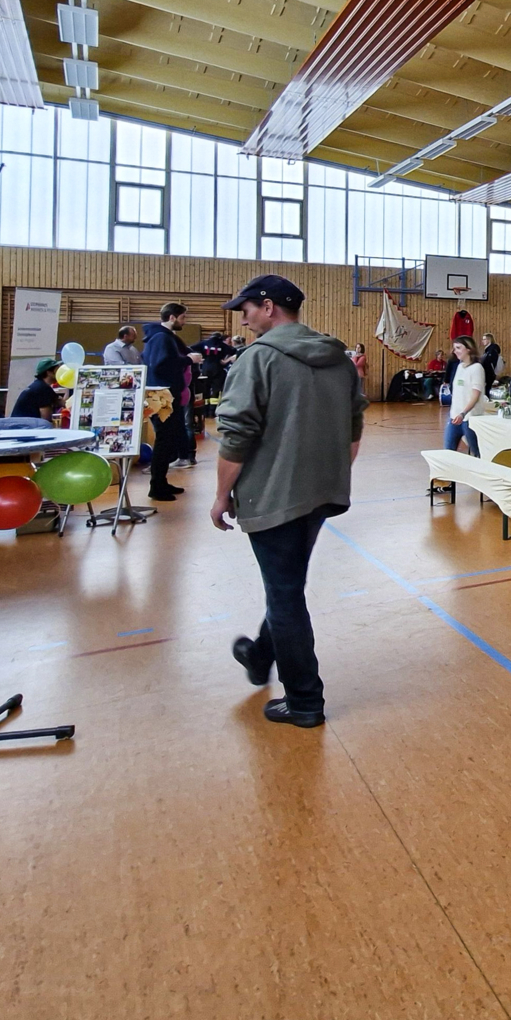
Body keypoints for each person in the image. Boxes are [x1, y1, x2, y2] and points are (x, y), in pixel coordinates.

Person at [213, 276, 365, 729]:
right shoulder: (339, 359)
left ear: (269, 307)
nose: (242, 317)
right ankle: (260, 656)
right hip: (322, 491)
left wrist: (222, 494)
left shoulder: (256, 359)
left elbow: (236, 435)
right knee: (287, 585)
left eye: (246, 308)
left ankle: (304, 701)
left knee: (284, 595)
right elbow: (354, 426)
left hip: (274, 494)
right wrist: (336, 471)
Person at [141, 302, 203, 501]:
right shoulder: (161, 338)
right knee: (164, 441)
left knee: (169, 440)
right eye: (183, 318)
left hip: (165, 394)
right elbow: (162, 364)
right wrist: (189, 360)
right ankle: (156, 485)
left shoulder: (162, 337)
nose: (184, 322)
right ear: (172, 317)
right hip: (163, 395)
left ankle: (160, 481)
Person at [445, 335, 487, 455]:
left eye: (458, 348)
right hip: (454, 417)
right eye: (454, 348)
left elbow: (475, 395)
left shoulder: (477, 368)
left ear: (468, 349)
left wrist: (463, 413)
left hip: (470, 418)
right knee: (448, 450)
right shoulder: (459, 367)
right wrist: (456, 413)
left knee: (476, 451)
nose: (455, 351)